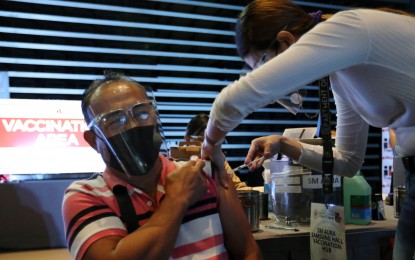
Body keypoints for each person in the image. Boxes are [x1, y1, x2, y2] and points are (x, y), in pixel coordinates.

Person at [200, 0, 415, 259]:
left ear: (285, 40)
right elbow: (348, 162)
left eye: (263, 65)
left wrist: (210, 144)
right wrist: (283, 144)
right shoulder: (342, 72)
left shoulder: (348, 29)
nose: (265, 75)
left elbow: (231, 102)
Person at [62, 71, 261, 260]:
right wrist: (177, 199)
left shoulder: (204, 172)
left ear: (155, 116)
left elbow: (247, 251)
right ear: (92, 140)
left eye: (141, 113)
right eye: (114, 121)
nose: (133, 126)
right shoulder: (86, 195)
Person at [185, 113, 250, 190]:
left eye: (211, 140)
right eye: (201, 138)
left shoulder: (218, 160)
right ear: (188, 139)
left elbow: (239, 187)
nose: (206, 145)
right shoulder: (179, 163)